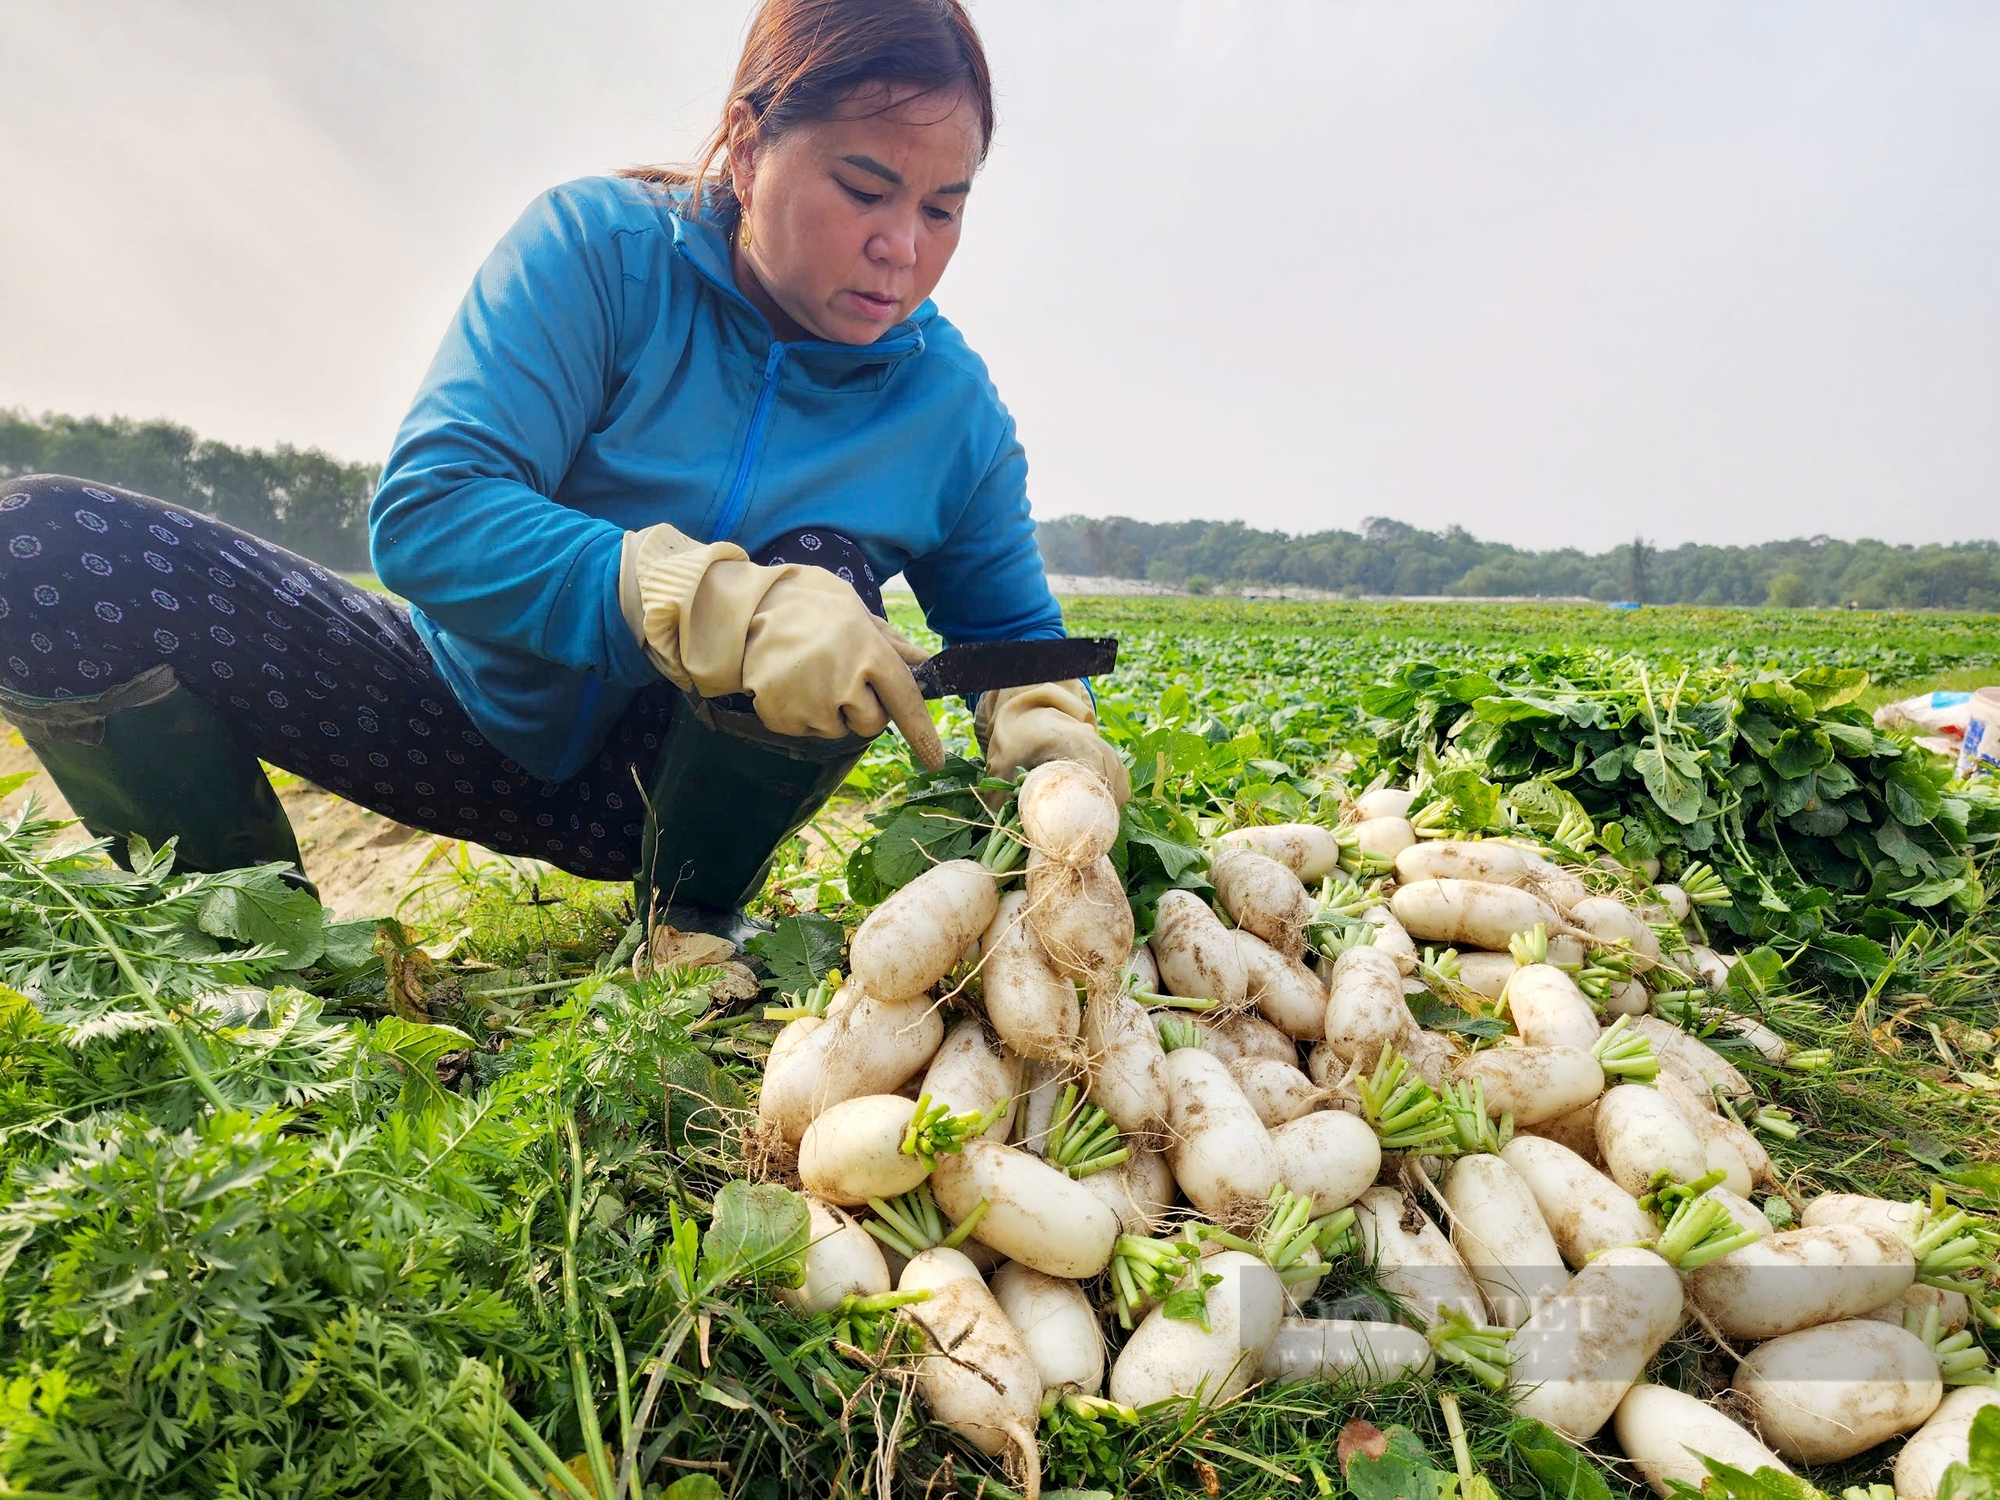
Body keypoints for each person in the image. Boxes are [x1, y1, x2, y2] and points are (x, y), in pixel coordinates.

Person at [0, 0, 1126, 935]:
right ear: (746, 145)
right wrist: (692, 595)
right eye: (866, 190)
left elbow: (1014, 648)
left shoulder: (949, 410)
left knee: (823, 577)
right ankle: (252, 952)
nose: (904, 248)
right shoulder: (599, 253)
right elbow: (429, 513)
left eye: (944, 207)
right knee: (41, 549)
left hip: (668, 798)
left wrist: (1042, 727)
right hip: (445, 712)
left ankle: (684, 933)